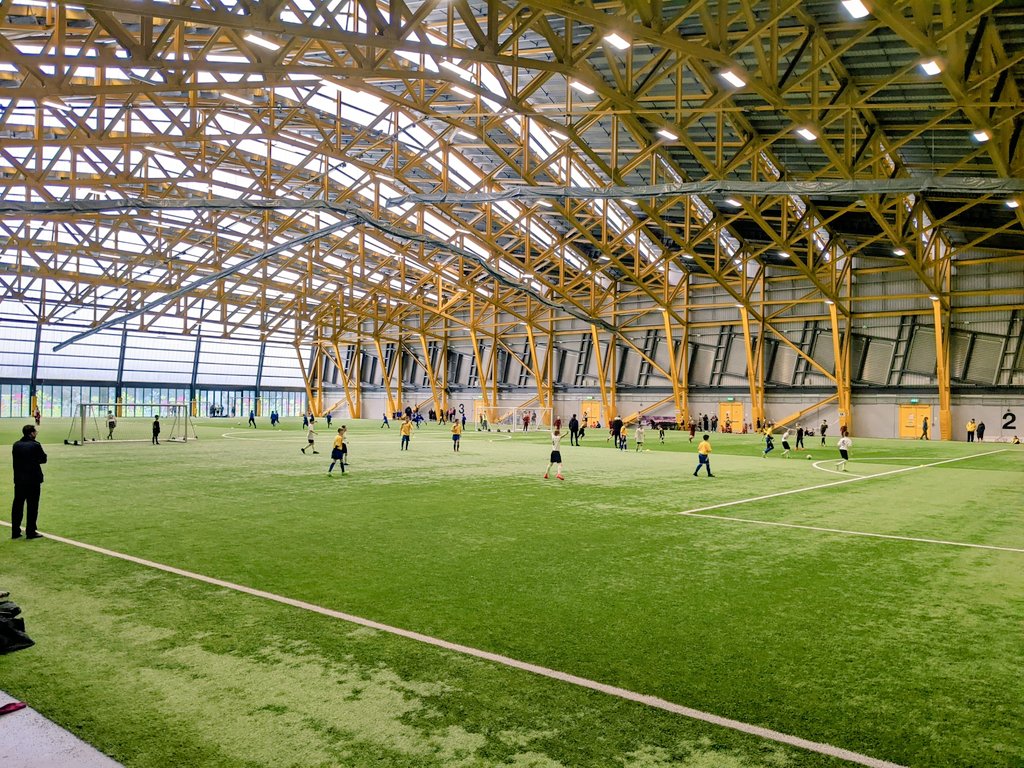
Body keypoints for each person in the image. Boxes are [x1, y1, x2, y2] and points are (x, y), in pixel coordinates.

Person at [11, 425, 47, 540]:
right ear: (31, 433)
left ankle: (15, 531)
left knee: (17, 505)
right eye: (35, 431)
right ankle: (30, 531)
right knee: (32, 506)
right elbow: (43, 459)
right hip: (33, 480)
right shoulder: (35, 445)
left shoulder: (16, 445)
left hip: (19, 480)